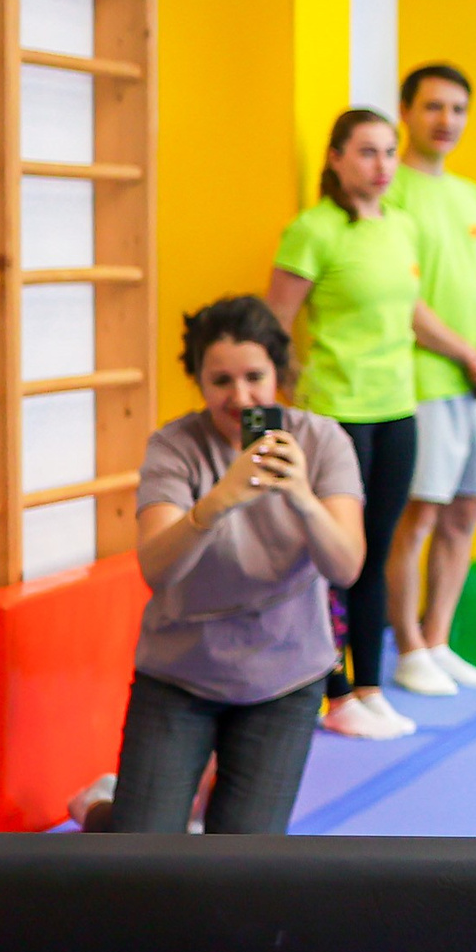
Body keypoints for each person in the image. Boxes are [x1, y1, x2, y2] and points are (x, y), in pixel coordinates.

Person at [106, 297, 366, 832]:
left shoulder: (320, 440)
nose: (240, 397)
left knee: (241, 861)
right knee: (139, 853)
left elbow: (346, 566)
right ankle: (99, 811)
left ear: (278, 373)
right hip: (180, 673)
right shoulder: (175, 447)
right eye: (220, 380)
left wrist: (300, 494)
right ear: (198, 381)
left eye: (254, 377)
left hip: (284, 675)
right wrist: (219, 500)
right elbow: (155, 567)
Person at [268, 108, 448, 741]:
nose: (381, 166)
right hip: (333, 415)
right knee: (329, 558)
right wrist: (277, 420)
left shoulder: (399, 226)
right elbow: (274, 330)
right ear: (336, 159)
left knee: (371, 553)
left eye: (389, 153)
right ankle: (332, 689)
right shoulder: (312, 231)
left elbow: (411, 311)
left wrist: (469, 353)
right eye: (367, 152)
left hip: (396, 409)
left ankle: (368, 686)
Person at [379, 64, 476, 701]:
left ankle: (438, 640)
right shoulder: (393, 192)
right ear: (406, 112)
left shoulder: (471, 196)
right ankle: (406, 646)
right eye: (433, 107)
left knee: (466, 512)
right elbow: (403, 297)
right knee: (422, 514)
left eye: (457, 109)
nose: (446, 121)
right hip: (431, 379)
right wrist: (467, 354)